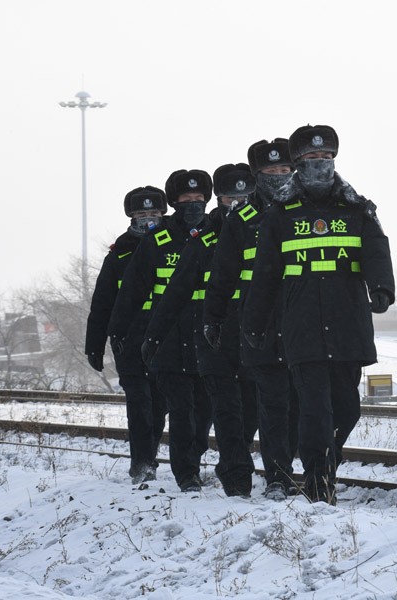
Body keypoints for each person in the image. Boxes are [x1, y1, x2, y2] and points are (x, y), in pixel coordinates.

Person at [242, 125, 395, 503]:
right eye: (312, 159)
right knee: (313, 409)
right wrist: (255, 323)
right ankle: (317, 478)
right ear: (298, 164)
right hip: (302, 328)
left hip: (348, 325)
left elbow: (377, 250)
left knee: (347, 408)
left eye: (326, 158)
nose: (320, 166)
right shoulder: (281, 214)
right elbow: (264, 274)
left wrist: (381, 289)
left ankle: (327, 459)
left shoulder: (357, 208)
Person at [144, 164, 257, 498]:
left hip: (251, 338)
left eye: (243, 197)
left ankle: (234, 463)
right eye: (229, 197)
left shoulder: (263, 229)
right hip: (207, 340)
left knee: (245, 411)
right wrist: (152, 336)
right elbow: (175, 289)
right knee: (209, 413)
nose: (236, 204)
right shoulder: (203, 238)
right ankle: (216, 473)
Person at [203, 138, 300, 501]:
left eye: (284, 169)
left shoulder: (302, 209)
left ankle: (292, 465)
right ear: (256, 175)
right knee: (271, 404)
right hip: (255, 324)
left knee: (301, 404)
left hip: (300, 321)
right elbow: (223, 274)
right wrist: (213, 317)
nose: (279, 176)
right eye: (270, 171)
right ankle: (276, 476)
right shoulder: (241, 220)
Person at [107, 169, 215, 493]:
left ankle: (193, 458)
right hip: (168, 342)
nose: (193, 205)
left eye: (199, 199)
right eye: (186, 199)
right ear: (174, 202)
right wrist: (119, 332)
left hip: (209, 342)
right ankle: (187, 474)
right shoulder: (158, 241)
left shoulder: (218, 235)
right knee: (181, 411)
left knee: (204, 412)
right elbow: (132, 292)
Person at [84, 186, 168, 484]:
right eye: (142, 214)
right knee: (139, 402)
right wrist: (94, 345)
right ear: (131, 217)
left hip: (166, 339)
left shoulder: (174, 247)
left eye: (154, 214)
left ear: (164, 214)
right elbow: (102, 303)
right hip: (127, 340)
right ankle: (141, 464)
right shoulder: (119, 254)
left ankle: (150, 457)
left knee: (159, 405)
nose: (148, 220)